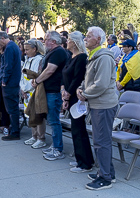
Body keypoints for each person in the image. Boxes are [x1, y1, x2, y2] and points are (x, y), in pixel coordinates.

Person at [77, 26, 119, 190]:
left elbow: (100, 84)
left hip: (103, 105)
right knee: (101, 141)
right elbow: (89, 80)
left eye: (88, 36)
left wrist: (85, 93)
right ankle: (107, 172)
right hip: (97, 104)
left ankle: (105, 178)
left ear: (99, 40)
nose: (85, 39)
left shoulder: (103, 58)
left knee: (101, 142)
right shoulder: (94, 56)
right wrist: (81, 89)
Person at [32, 31, 69, 161]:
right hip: (49, 90)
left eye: (47, 39)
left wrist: (37, 81)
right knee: (51, 120)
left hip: (54, 91)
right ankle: (54, 145)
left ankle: (58, 149)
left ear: (53, 41)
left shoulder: (58, 52)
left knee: (54, 121)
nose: (44, 41)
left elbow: (50, 70)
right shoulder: (52, 52)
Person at [62, 31, 94, 173]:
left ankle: (85, 163)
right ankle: (80, 158)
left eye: (68, 40)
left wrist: (68, 94)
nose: (66, 42)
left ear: (74, 42)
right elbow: (65, 76)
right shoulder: (71, 56)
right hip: (69, 94)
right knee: (75, 129)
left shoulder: (81, 57)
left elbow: (77, 79)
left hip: (76, 96)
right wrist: (63, 91)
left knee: (79, 129)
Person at [0, 31, 22, 140]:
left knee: (12, 108)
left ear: (2, 38)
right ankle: (13, 129)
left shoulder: (9, 48)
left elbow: (8, 66)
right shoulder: (13, 46)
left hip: (10, 83)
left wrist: (4, 80)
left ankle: (15, 132)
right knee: (11, 108)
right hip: (12, 82)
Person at [21, 39, 46, 149]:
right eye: (24, 49)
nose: (25, 52)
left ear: (34, 49)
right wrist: (22, 89)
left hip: (33, 90)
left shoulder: (39, 60)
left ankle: (41, 138)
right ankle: (34, 135)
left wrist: (27, 89)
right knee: (29, 114)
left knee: (37, 115)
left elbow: (35, 77)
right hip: (26, 91)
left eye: (27, 49)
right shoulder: (27, 59)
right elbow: (22, 76)